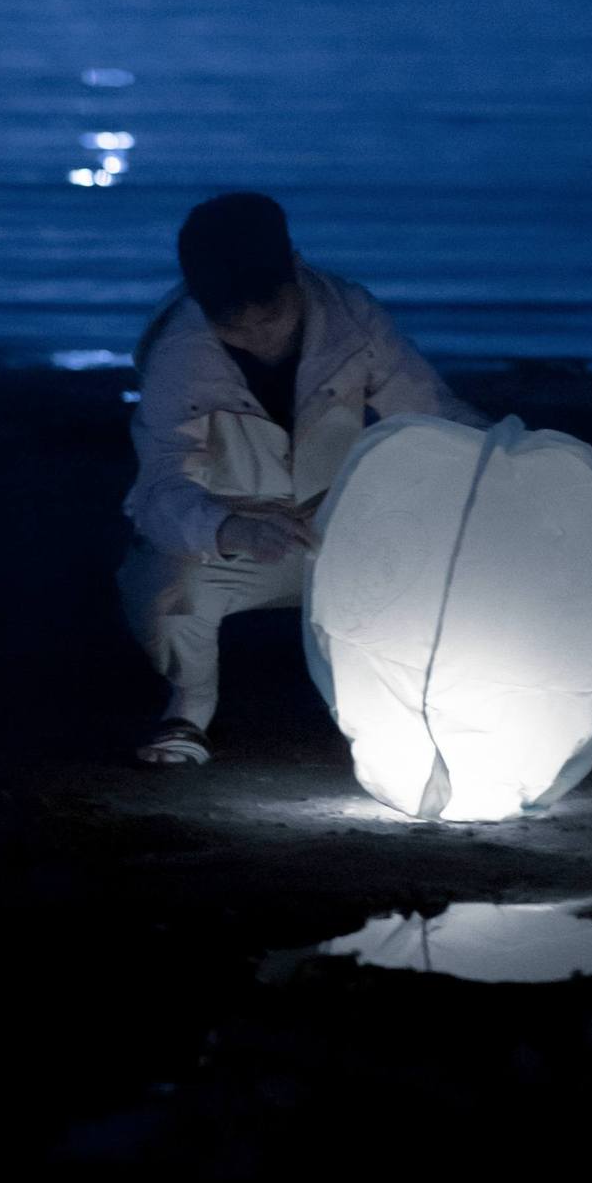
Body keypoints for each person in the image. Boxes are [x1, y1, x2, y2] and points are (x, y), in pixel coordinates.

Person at [118, 192, 481, 766]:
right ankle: (190, 707)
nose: (260, 339)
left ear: (295, 268)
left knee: (455, 552)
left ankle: (412, 704)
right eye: (238, 329)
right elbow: (160, 487)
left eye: (271, 318)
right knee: (165, 582)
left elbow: (427, 413)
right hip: (238, 539)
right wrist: (231, 527)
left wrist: (503, 451)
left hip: (341, 523)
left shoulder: (350, 315)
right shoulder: (176, 351)